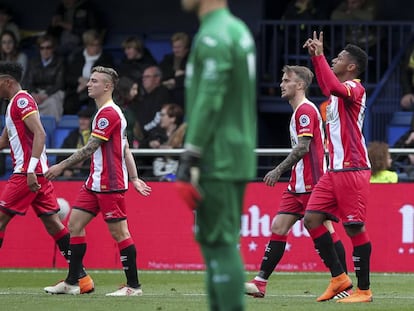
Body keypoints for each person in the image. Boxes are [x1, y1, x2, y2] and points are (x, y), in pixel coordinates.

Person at [43, 66, 151, 296]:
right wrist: (134, 177)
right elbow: (125, 148)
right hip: (94, 182)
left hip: (109, 184)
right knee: (74, 226)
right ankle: (74, 282)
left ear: (107, 86)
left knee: (120, 233)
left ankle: (133, 287)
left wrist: (61, 165)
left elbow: (90, 147)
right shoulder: (105, 112)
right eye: (90, 80)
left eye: (94, 81)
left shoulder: (109, 114)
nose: (89, 84)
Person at [176, 0, 257, 310]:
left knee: (218, 243)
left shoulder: (212, 35)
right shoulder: (238, 30)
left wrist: (191, 154)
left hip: (216, 154)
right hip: (235, 150)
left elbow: (210, 98)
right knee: (221, 241)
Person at [244, 65, 348, 299]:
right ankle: (260, 282)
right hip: (297, 185)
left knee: (326, 230)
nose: (281, 84)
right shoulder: (299, 111)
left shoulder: (305, 111)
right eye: (282, 80)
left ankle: (343, 283)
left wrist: (278, 170)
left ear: (300, 85)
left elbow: (303, 147)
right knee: (278, 227)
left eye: (286, 80)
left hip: (313, 184)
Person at [0, 61, 93, 294]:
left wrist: (31, 169)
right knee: (54, 225)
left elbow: (41, 133)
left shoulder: (22, 101)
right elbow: (4, 141)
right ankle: (81, 279)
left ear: (7, 81)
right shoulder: (13, 104)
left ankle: (79, 278)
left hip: (26, 174)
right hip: (36, 174)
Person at [303, 31, 373, 303]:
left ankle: (364, 290)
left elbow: (332, 86)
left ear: (352, 67)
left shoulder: (355, 88)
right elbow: (327, 85)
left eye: (340, 57)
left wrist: (319, 56)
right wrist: (316, 59)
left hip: (353, 168)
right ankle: (339, 278)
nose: (334, 59)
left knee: (354, 228)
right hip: (334, 171)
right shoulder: (335, 95)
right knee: (311, 219)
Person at [63, 28, 114, 115]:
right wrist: (79, 79)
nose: (96, 48)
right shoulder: (77, 57)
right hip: (77, 90)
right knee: (69, 105)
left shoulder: (106, 59)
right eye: (92, 45)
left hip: (97, 92)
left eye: (98, 45)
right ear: (86, 45)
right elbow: (68, 77)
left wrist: (88, 83)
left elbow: (108, 77)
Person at [22, 34, 65, 122]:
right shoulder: (33, 62)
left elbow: (59, 84)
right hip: (36, 93)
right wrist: (34, 94)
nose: (45, 51)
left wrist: (45, 95)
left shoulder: (60, 62)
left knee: (52, 103)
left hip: (52, 93)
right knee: (25, 102)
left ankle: (51, 130)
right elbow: (28, 82)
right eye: (42, 48)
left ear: (53, 49)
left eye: (48, 48)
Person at [56, 107, 94, 179]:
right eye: (80, 119)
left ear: (91, 121)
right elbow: (61, 155)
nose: (82, 121)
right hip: (71, 171)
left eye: (85, 119)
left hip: (88, 171)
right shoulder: (72, 135)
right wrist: (67, 169)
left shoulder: (94, 135)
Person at [149, 103, 185, 180]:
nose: (160, 118)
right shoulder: (155, 132)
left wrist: (172, 150)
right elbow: (142, 145)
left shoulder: (183, 134)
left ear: (172, 118)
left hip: (176, 174)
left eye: (162, 115)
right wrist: (150, 144)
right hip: (154, 175)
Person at [159, 32, 190, 109]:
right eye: (174, 47)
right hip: (168, 99)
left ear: (186, 47)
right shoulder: (168, 59)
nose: (175, 50)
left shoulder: (192, 60)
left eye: (179, 47)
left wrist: (176, 81)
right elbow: (162, 75)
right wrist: (177, 75)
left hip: (186, 98)